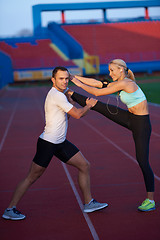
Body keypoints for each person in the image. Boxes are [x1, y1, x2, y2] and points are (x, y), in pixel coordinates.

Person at [2, 66, 108, 220]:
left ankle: (88, 203)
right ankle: (10, 209)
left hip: (60, 142)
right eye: (61, 79)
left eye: (66, 78)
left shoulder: (61, 94)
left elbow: (69, 117)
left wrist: (71, 104)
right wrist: (89, 105)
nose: (65, 81)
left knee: (84, 165)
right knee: (31, 177)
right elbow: (78, 114)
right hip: (48, 143)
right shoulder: (57, 96)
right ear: (53, 80)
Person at [67, 59, 155, 212]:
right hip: (129, 117)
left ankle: (150, 200)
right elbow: (96, 83)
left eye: (112, 70)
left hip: (141, 124)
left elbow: (97, 92)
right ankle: (71, 94)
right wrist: (74, 77)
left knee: (142, 161)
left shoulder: (126, 83)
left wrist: (77, 83)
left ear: (121, 70)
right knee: (95, 105)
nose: (110, 73)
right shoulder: (119, 82)